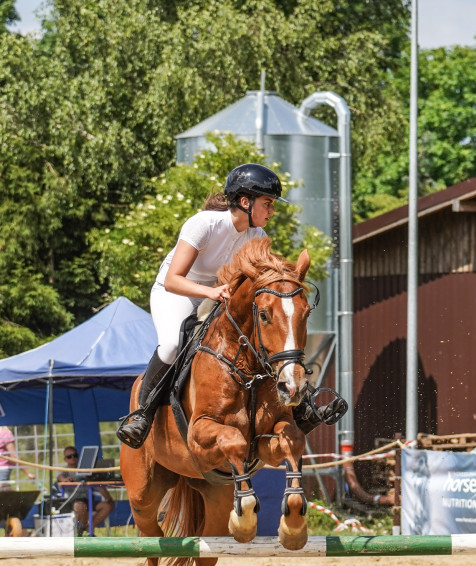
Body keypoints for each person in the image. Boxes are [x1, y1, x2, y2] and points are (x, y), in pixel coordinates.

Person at [117, 163, 346, 449]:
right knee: (171, 347)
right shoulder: (203, 224)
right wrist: (210, 291)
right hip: (176, 292)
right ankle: (142, 415)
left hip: (218, 294)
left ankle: (302, 406)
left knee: (258, 337)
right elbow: (174, 280)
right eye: (268, 203)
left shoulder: (257, 237)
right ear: (245, 202)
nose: (272, 211)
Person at [56, 446, 114, 535]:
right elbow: (60, 477)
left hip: (87, 500)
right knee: (81, 506)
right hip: (71, 501)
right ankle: (84, 531)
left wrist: (108, 498)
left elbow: (98, 485)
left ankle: (87, 529)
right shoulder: (63, 471)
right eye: (69, 456)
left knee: (108, 506)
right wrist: (65, 479)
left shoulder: (85, 470)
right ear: (65, 459)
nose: (73, 458)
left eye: (75, 455)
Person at [0, 425, 36, 490]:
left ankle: (19, 499)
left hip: (3, 467)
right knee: (6, 488)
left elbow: (13, 456)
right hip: (3, 468)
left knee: (4, 488)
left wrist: (27, 473)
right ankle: (19, 499)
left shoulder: (5, 434)